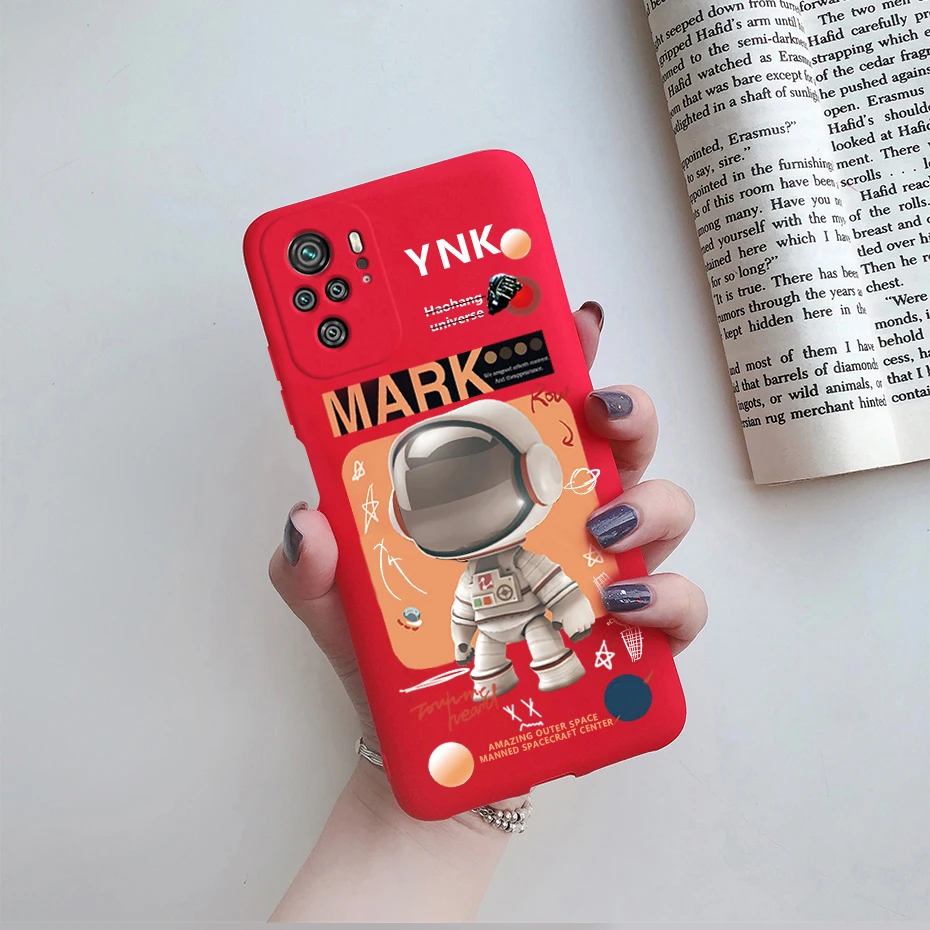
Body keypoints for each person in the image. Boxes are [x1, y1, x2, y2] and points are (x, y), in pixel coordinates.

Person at [266, 302, 707, 922]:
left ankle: (553, 669)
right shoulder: (471, 575)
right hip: (493, 639)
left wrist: (577, 610)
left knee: (547, 648)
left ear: (541, 477)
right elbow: (464, 612)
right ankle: (503, 674)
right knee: (493, 658)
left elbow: (550, 583)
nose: (456, 510)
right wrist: (463, 647)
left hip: (529, 623)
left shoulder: (525, 557)